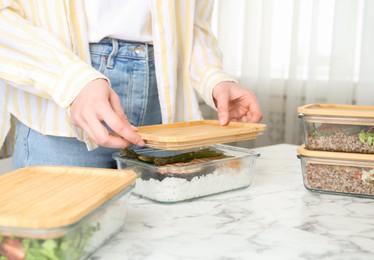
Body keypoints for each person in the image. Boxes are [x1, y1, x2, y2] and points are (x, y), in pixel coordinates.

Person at [0, 0, 262, 169]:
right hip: (62, 105)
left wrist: (213, 76)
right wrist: (70, 79)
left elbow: (192, 21)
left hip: (165, 108)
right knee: (60, 248)